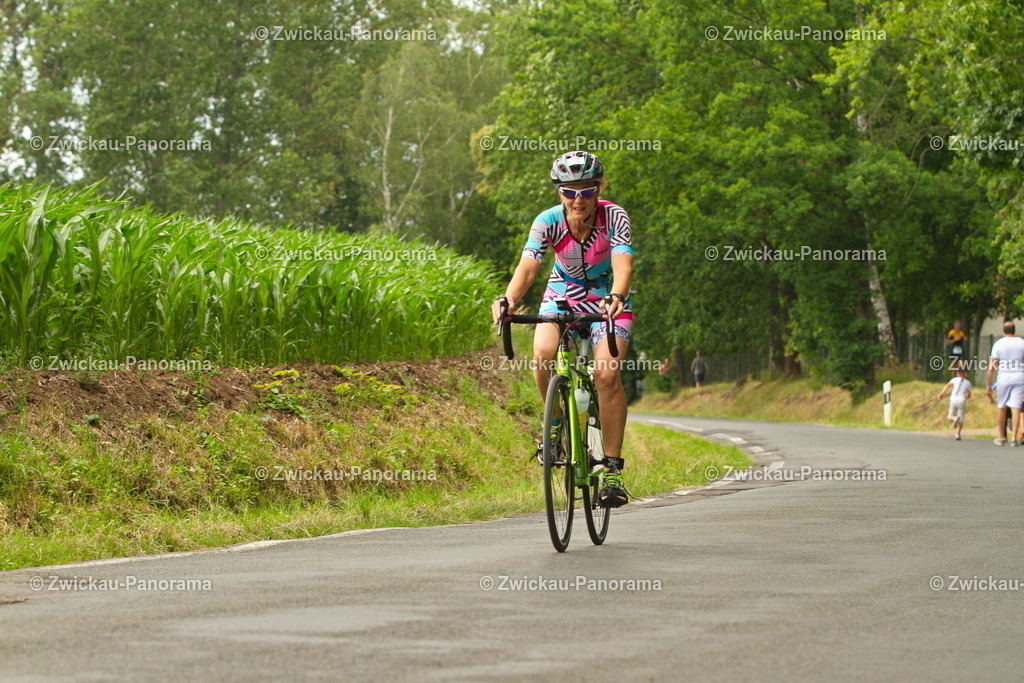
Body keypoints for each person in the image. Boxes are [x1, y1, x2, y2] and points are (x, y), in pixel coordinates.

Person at [491, 151, 633, 507]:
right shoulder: (547, 221)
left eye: (586, 191)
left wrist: (617, 294)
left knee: (607, 374)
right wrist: (507, 300)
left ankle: (612, 472)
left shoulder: (613, 215)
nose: (578, 199)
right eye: (569, 192)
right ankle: (554, 430)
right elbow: (527, 268)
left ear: (598, 189)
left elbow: (622, 261)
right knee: (541, 354)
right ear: (559, 193)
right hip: (562, 294)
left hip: (607, 298)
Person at [985, 321, 1024, 446]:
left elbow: (992, 366)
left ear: (1004, 331)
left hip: (1004, 377)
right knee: (1016, 407)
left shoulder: (999, 344)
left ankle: (1001, 437)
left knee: (1001, 406)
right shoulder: (1021, 343)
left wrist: (988, 384)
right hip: (1019, 377)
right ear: (1014, 330)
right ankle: (1014, 439)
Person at [937, 368, 972, 440]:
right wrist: (967, 396)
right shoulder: (968, 382)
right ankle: (958, 433)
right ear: (965, 374)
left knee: (950, 416)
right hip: (962, 400)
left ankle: (955, 418)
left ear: (957, 373)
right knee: (961, 418)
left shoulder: (954, 379)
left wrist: (941, 394)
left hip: (953, 399)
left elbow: (947, 385)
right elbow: (969, 395)